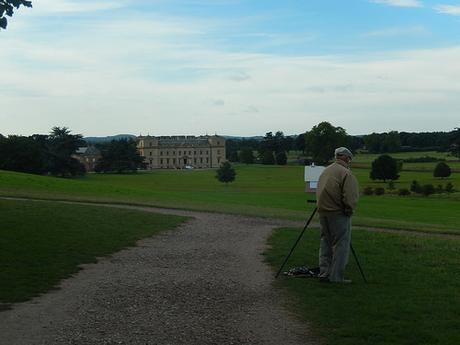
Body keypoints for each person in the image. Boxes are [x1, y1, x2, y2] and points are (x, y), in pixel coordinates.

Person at [316, 147, 359, 283]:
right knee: (341, 244)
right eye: (349, 159)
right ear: (346, 158)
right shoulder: (345, 173)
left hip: (323, 211)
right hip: (338, 213)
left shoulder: (326, 171)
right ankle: (336, 277)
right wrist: (349, 210)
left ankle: (324, 273)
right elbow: (350, 196)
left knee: (325, 243)